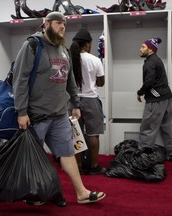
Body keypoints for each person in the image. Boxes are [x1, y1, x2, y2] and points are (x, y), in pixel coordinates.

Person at [12, 11, 106, 207]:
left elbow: (70, 81)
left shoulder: (63, 50)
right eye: (58, 23)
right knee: (34, 157)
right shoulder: (31, 46)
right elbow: (19, 81)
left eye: (64, 23)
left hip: (59, 115)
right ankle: (33, 193)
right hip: (36, 116)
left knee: (68, 153)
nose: (62, 26)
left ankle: (81, 193)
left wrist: (75, 104)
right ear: (45, 24)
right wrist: (21, 112)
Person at [137, 37, 172, 163]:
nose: (140, 49)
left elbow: (149, 82)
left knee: (148, 127)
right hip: (167, 97)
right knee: (166, 127)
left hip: (156, 99)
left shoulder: (150, 62)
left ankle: (143, 156)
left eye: (143, 47)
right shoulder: (157, 60)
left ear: (150, 49)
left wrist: (140, 92)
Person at [69, 28, 106, 175]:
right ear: (87, 44)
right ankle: (94, 166)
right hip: (91, 100)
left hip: (73, 101)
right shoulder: (95, 60)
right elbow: (101, 82)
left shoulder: (69, 59)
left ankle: (78, 165)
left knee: (75, 134)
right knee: (93, 135)